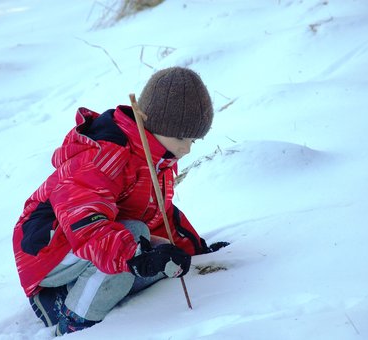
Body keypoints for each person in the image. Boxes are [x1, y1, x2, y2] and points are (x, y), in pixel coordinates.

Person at [12, 67, 229, 336]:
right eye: (180, 138)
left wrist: (191, 250)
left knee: (160, 257)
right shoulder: (102, 157)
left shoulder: (153, 160)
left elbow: (158, 216)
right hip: (48, 250)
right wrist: (136, 257)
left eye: (193, 140)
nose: (186, 149)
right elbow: (86, 226)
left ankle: (77, 290)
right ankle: (74, 320)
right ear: (146, 120)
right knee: (134, 240)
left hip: (91, 244)